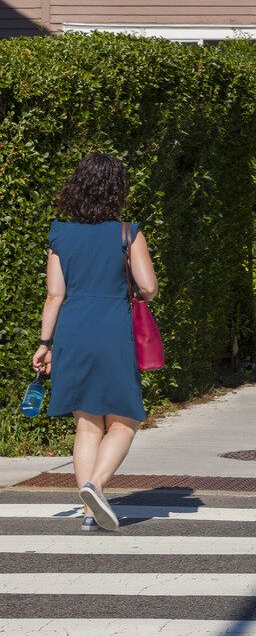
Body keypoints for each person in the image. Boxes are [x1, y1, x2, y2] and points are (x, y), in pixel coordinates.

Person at [31, 152, 160, 532]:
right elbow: (149, 287)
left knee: (87, 425)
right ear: (117, 190)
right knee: (126, 419)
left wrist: (44, 343)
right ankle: (95, 486)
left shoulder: (60, 232)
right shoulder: (127, 232)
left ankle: (89, 513)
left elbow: (54, 296)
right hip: (112, 328)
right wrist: (134, 291)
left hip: (72, 329)